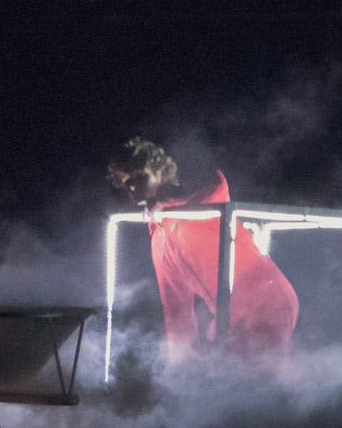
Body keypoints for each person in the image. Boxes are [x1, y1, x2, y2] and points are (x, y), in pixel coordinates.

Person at [106, 137, 297, 362]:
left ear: (161, 174)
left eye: (140, 176)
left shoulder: (200, 201)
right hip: (229, 317)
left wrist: (165, 200)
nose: (132, 187)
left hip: (268, 301)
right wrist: (180, 366)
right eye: (126, 182)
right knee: (220, 374)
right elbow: (176, 310)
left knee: (254, 378)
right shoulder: (159, 240)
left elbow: (218, 183)